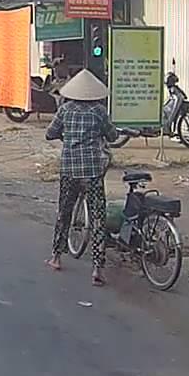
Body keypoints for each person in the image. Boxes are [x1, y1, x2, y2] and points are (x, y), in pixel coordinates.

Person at [45, 69, 119, 286]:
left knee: (64, 213)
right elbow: (113, 136)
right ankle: (97, 268)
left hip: (70, 169)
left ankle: (56, 257)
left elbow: (50, 133)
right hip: (93, 171)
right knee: (98, 217)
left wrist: (65, 136)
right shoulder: (99, 111)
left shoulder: (65, 110)